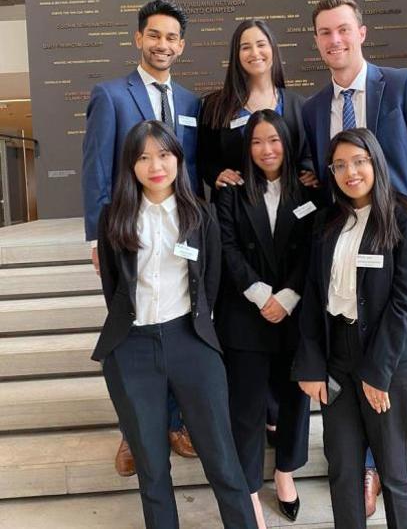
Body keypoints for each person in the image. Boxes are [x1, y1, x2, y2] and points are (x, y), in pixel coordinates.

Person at [302, 0, 407, 527]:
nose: (335, 41)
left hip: (403, 243)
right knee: (360, 362)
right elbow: (317, 176)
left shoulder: (404, 84)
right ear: (318, 41)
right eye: (325, 33)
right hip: (348, 244)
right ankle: (368, 463)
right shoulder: (311, 107)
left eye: (343, 30)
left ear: (361, 33)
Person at [92, 119, 257, 529]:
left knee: (222, 460)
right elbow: (115, 286)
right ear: (130, 166)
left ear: (178, 159)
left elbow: (212, 281)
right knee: (151, 467)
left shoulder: (200, 215)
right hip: (131, 348)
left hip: (192, 341)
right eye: (143, 157)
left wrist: (198, 326)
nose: (155, 165)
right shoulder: (115, 218)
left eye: (163, 154)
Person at [293, 128, 407, 529]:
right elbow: (312, 294)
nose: (349, 172)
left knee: (394, 471)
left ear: (376, 162)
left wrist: (379, 370)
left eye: (358, 161)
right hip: (338, 357)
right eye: (339, 165)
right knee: (342, 468)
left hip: (389, 360)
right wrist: (310, 363)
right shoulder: (328, 221)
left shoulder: (406, 218)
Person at [82, 0, 200, 474]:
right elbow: (95, 168)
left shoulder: (190, 102)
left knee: (176, 325)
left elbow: (197, 169)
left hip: (179, 233)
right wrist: (96, 239)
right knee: (131, 332)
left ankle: (174, 422)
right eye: (154, 35)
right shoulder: (110, 95)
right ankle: (133, 432)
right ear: (138, 38)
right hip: (127, 236)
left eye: (171, 38)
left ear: (181, 45)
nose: (163, 45)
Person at [215, 110, 320, 529]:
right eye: (257, 141)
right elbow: (226, 247)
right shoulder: (232, 190)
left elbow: (315, 247)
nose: (266, 149)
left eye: (274, 140)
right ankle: (248, 488)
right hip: (246, 313)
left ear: (287, 142)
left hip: (294, 314)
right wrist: (262, 295)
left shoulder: (309, 189)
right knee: (246, 406)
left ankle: (284, 473)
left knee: (295, 399)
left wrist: (289, 296)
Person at [198, 18, 317, 193]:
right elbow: (204, 159)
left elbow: (309, 154)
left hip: (291, 209)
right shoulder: (215, 106)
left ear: (273, 49)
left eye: (261, 45)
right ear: (236, 55)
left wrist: (310, 171)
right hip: (236, 209)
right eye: (245, 47)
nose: (255, 53)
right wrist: (216, 174)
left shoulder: (299, 105)